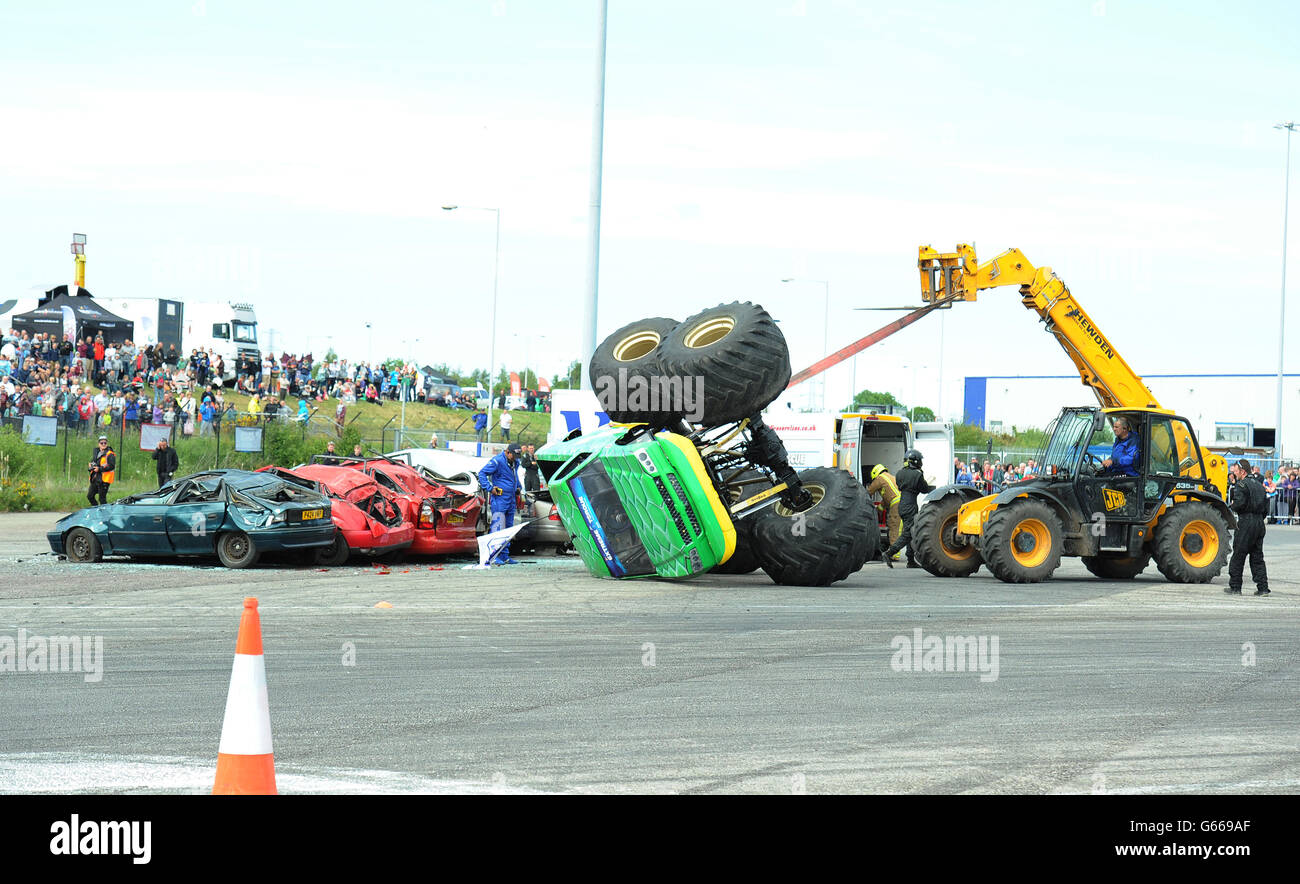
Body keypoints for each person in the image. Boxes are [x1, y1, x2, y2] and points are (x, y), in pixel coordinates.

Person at [883, 449, 933, 568]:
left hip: (902, 504)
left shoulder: (900, 473)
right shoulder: (917, 474)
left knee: (910, 530)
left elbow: (901, 487)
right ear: (915, 461)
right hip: (910, 505)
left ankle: (910, 560)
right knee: (908, 533)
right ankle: (890, 552)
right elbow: (924, 489)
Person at [1226, 458, 1269, 596]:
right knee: (1257, 556)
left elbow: (1239, 504)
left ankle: (1235, 587)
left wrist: (1232, 504)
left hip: (1246, 522)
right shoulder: (1260, 485)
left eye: (1236, 471)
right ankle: (1263, 588)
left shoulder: (1242, 485)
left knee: (1239, 554)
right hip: (1259, 523)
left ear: (1242, 471)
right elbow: (1265, 509)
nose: (1234, 473)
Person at [477, 442, 522, 564]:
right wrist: (490, 488)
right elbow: (482, 474)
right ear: (507, 452)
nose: (515, 458)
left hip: (511, 499)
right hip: (500, 499)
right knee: (498, 527)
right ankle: (493, 555)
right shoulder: (497, 461)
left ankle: (504, 555)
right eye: (513, 455)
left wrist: (519, 487)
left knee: (508, 528)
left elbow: (515, 476)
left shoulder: (515, 462)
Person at [865, 464, 902, 554]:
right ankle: (893, 550)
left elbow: (869, 491)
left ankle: (894, 554)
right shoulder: (890, 477)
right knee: (898, 527)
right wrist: (879, 510)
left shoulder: (880, 478)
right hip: (902, 502)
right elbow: (886, 499)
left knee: (893, 527)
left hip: (896, 504)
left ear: (875, 473)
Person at [87, 435, 116, 506]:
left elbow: (111, 466)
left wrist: (99, 469)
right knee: (90, 496)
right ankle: (96, 511)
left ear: (107, 443)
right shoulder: (96, 452)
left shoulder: (110, 454)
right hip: (95, 478)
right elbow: (95, 461)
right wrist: (91, 465)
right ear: (98, 444)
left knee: (102, 499)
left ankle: (105, 515)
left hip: (104, 480)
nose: (103, 444)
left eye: (105, 443)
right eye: (101, 443)